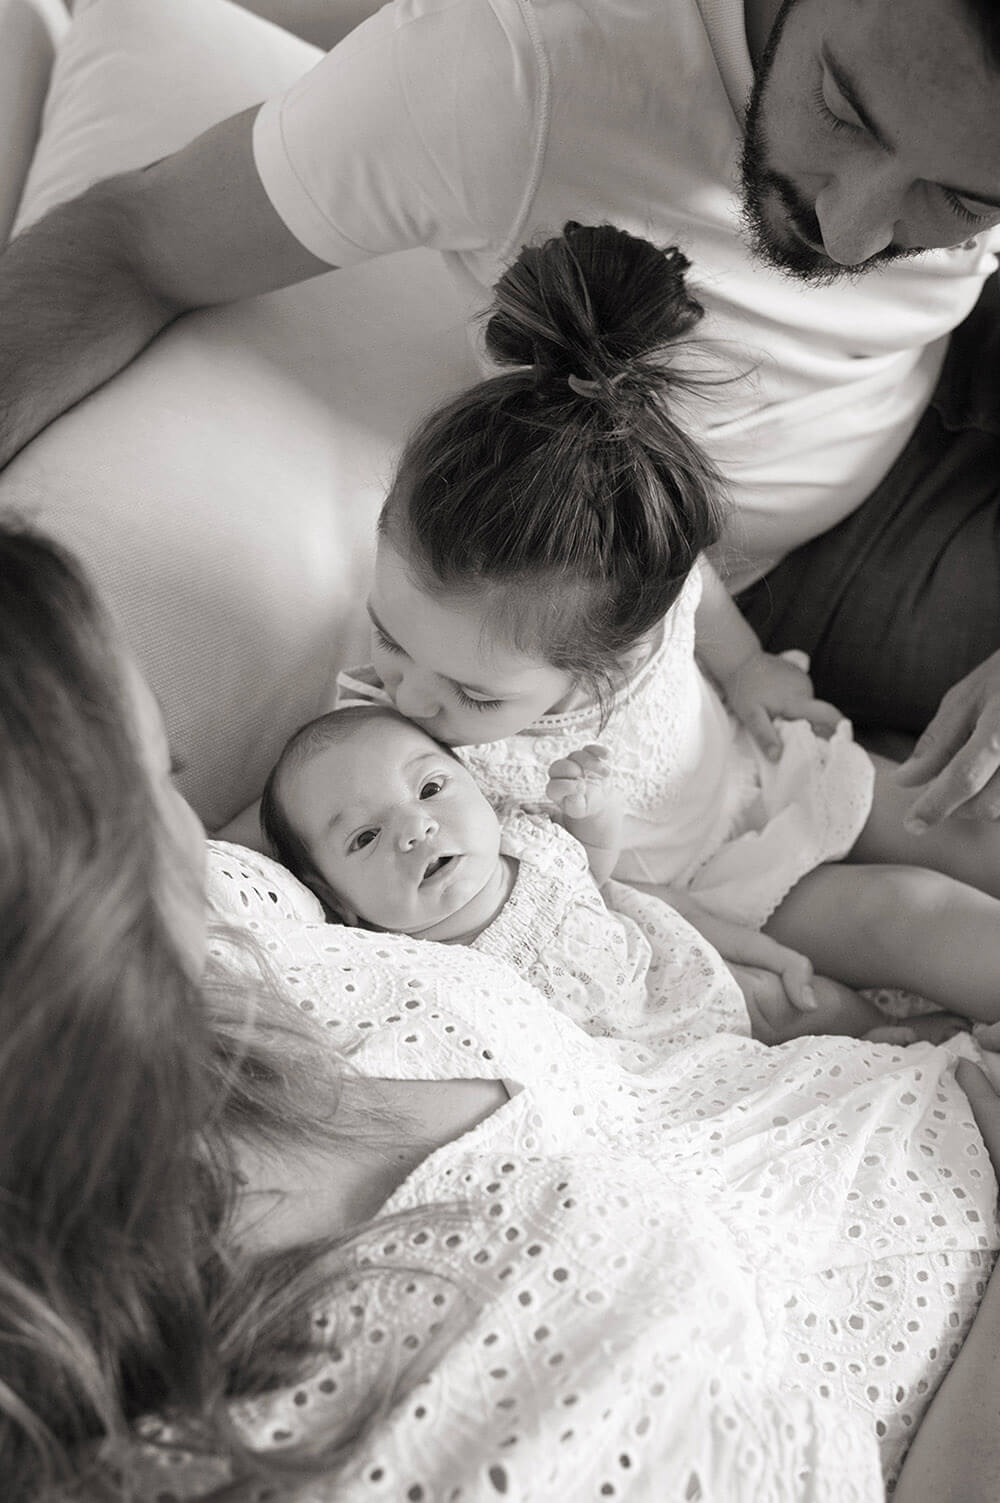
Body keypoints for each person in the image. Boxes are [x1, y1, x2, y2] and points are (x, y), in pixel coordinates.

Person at [7, 515, 1000, 1501]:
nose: (192, 843)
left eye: (172, 773)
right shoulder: (305, 1399)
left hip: (852, 1101)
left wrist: (653, 909)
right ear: (64, 906)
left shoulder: (250, 936)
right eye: (148, 792)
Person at [3, 0, 1000, 830]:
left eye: (958, 198)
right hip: (816, 556)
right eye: (844, 112)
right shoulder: (514, 62)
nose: (849, 232)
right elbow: (136, 241)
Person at [338, 220, 1000, 1033]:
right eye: (392, 639)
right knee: (914, 913)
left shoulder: (632, 589)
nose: (411, 695)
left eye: (471, 695)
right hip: (714, 882)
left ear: (609, 663)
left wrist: (753, 668)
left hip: (763, 766)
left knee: (958, 822)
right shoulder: (421, 757)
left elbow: (700, 599)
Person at [258, 700, 886, 1044]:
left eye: (430, 786)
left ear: (477, 786)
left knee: (796, 1002)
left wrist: (594, 812)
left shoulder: (529, 840)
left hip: (674, 980)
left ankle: (897, 1035)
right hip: (626, 1075)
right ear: (334, 899)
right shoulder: (414, 968)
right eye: (365, 837)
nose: (415, 828)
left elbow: (598, 873)